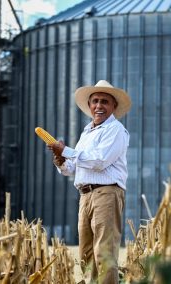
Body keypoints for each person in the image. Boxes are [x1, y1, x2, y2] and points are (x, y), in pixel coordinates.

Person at [48, 80, 131, 283]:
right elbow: (73, 169)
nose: (99, 106)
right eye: (95, 101)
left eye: (104, 101)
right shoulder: (87, 133)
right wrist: (60, 161)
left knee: (104, 252)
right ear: (90, 105)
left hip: (107, 193)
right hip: (85, 195)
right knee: (86, 254)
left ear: (114, 107)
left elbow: (99, 161)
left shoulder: (116, 130)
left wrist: (65, 151)